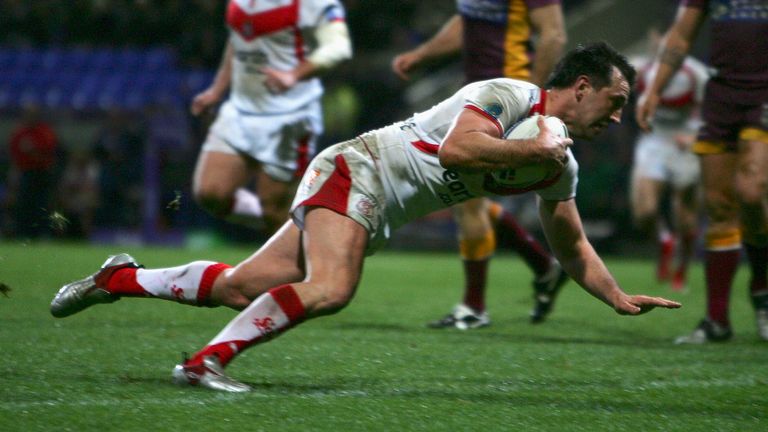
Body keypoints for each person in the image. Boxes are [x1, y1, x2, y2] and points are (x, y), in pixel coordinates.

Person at [52, 42, 681, 392]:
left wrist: (615, 295)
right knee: (332, 288)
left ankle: (119, 280)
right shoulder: (509, 96)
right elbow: (459, 148)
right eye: (615, 99)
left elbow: (570, 246)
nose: (618, 115)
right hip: (358, 168)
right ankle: (202, 365)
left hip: (371, 203)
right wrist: (533, 146)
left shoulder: (558, 167)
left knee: (242, 286)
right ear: (579, 86)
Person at [391, 0, 568, 328]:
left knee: (464, 195)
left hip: (510, 98)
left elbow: (554, 35)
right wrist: (421, 55)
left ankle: (474, 307)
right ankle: (544, 266)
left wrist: (534, 101)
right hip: (480, 94)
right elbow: (467, 21)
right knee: (470, 195)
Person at [636, 0, 768, 343]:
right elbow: (680, 37)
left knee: (752, 193)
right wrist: (654, 90)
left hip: (764, 95)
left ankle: (761, 285)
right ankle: (717, 321)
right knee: (720, 207)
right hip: (722, 96)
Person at [189, 0, 352, 234]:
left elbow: (339, 47)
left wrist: (294, 75)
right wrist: (217, 91)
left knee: (273, 210)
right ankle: (298, 233)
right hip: (240, 111)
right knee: (211, 192)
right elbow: (239, 40)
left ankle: (300, 247)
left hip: (290, 116)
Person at [629, 29, 709, 292]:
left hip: (685, 142)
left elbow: (710, 112)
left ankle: (682, 270)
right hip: (655, 141)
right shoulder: (643, 69)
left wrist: (694, 134)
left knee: (685, 216)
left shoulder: (696, 74)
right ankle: (664, 240)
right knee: (644, 212)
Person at [6, 104, 59, 239]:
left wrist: (33, 151)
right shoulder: (19, 133)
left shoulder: (45, 132)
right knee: (24, 205)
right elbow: (14, 157)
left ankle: (44, 233)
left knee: (42, 205)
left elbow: (50, 155)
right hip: (25, 174)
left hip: (42, 174)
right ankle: (23, 234)